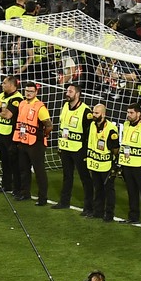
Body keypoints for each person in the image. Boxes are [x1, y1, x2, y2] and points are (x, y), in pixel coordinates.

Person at [55, 84, 93, 213]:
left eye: (70, 91)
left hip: (79, 149)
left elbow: (91, 132)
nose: (67, 93)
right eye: (67, 91)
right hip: (65, 148)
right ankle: (64, 202)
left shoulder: (86, 111)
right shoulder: (65, 106)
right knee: (67, 176)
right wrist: (60, 146)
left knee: (85, 178)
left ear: (77, 94)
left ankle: (89, 207)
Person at [13, 81, 52, 205]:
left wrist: (43, 135)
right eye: (26, 91)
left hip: (36, 143)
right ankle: (25, 193)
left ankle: (42, 198)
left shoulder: (40, 107)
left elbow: (49, 125)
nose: (28, 93)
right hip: (23, 141)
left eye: (31, 91)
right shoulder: (22, 104)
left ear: (36, 92)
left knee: (39, 171)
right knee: (24, 169)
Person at [0, 75, 23, 195]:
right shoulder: (1, 96)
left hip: (11, 135)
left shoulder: (17, 99)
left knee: (13, 162)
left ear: (12, 85)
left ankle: (17, 188)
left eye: (4, 83)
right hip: (1, 132)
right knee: (4, 161)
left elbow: (8, 115)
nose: (2, 85)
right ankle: (6, 185)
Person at [85, 103, 119, 222]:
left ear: (103, 114)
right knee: (98, 188)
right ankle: (98, 212)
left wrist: (115, 163)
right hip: (94, 163)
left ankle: (109, 214)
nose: (93, 115)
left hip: (106, 165)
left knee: (108, 190)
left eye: (96, 113)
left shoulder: (111, 129)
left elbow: (115, 149)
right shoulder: (92, 125)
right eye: (93, 112)